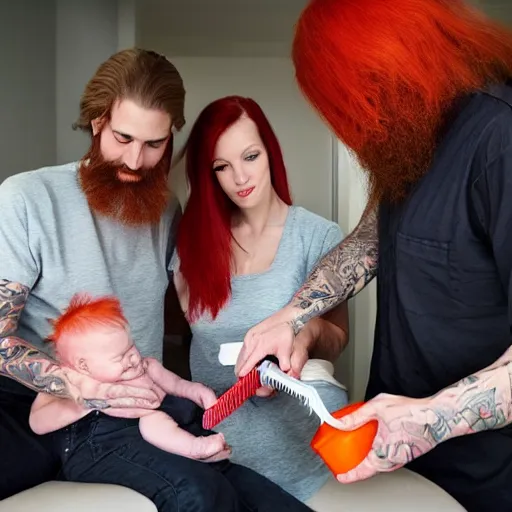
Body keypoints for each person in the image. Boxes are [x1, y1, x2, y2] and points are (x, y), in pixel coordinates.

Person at [0, 48, 314, 512]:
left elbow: (198, 315)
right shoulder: (26, 199)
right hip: (57, 414)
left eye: (154, 144)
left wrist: (283, 345)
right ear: (96, 122)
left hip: (145, 410)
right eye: (123, 137)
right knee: (199, 495)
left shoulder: (166, 211)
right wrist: (86, 388)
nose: (135, 160)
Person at [233, 1, 512, 510]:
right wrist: (291, 316)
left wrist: (427, 419)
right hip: (400, 456)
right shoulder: (415, 132)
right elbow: (371, 240)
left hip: (488, 476)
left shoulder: (500, 139)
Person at [170, 95, 350, 502]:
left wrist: (303, 334)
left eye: (250, 156)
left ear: (270, 151)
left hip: (305, 458)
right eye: (222, 166)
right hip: (217, 460)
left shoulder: (318, 236)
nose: (239, 177)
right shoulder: (189, 247)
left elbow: (337, 338)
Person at [30, 292, 230, 462]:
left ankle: (206, 448)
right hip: (143, 422)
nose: (133, 358)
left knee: (190, 412)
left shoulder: (146, 366)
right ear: (84, 366)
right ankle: (194, 448)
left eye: (131, 347)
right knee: (152, 421)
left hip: (174, 409)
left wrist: (196, 390)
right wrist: (86, 402)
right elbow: (38, 423)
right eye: (120, 356)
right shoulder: (74, 382)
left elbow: (176, 384)